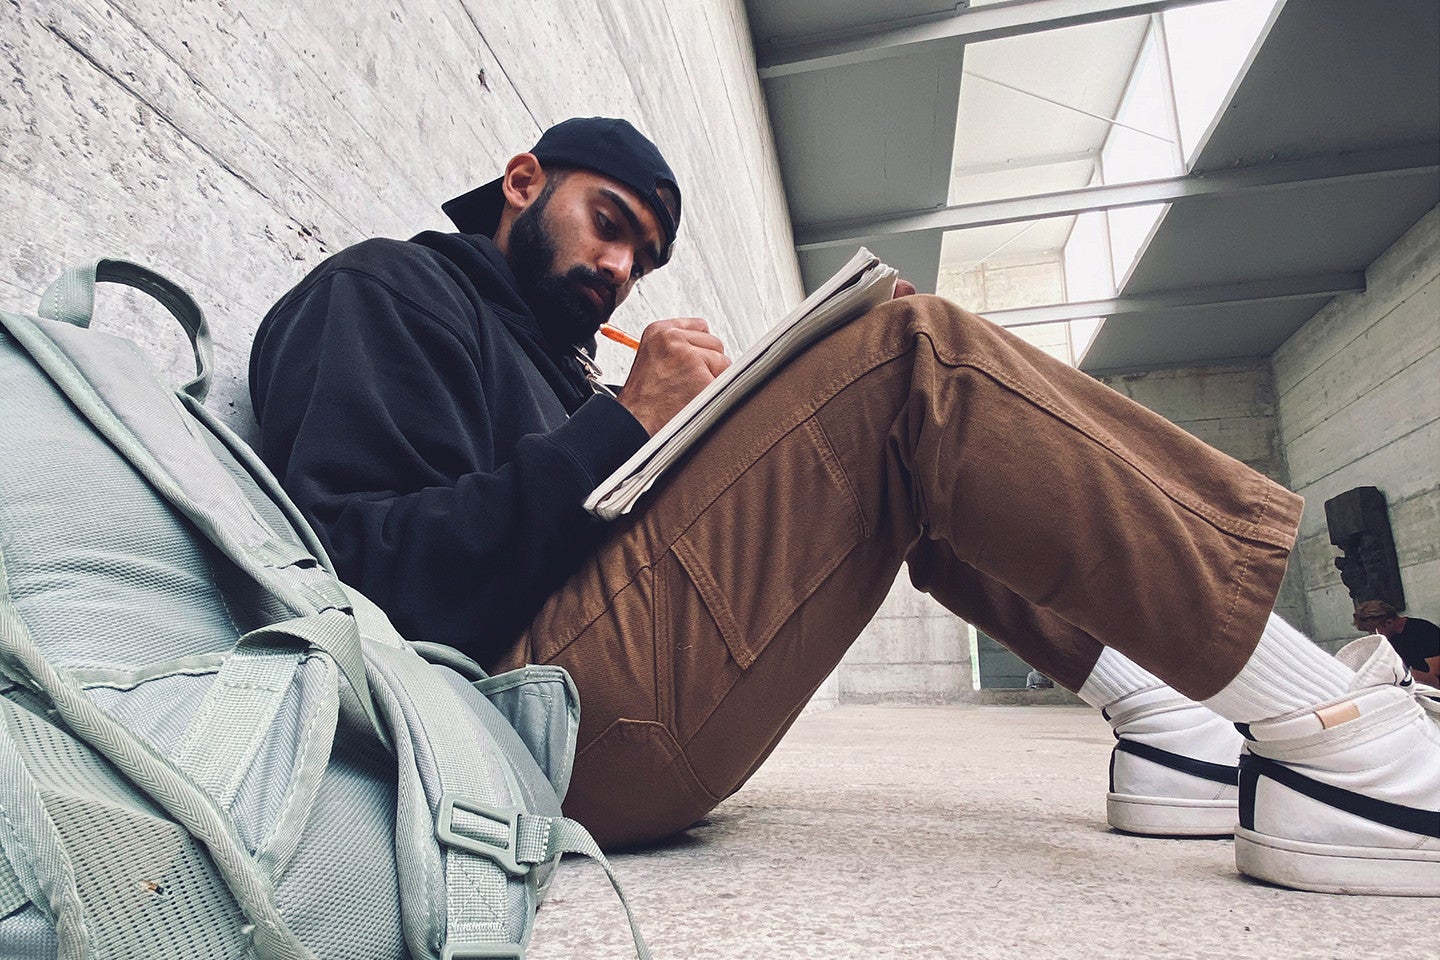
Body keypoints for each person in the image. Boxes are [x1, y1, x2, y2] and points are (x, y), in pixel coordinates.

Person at [249, 117, 1438, 896]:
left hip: (594, 692)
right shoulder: (386, 290)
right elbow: (372, 574)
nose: (619, 267)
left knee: (899, 430)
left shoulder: (557, 364)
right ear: (522, 183)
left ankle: (1172, 730)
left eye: (643, 255)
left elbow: (569, 518)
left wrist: (680, 427)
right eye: (607, 222)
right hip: (537, 726)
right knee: (910, 359)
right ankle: (1338, 743)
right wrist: (621, 426)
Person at [1353, 600, 1440, 685]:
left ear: (1389, 622)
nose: (1373, 634)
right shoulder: (1387, 639)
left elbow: (1436, 671)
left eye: (1373, 631)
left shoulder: (1424, 631)